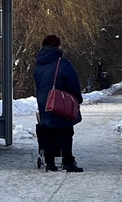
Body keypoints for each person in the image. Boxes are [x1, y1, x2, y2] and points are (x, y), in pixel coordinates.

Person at [34, 35, 84, 172]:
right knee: (66, 131)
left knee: (49, 131)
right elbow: (73, 83)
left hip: (44, 101)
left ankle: (50, 163)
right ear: (57, 46)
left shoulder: (38, 64)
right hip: (60, 100)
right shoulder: (62, 63)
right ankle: (67, 161)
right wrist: (77, 99)